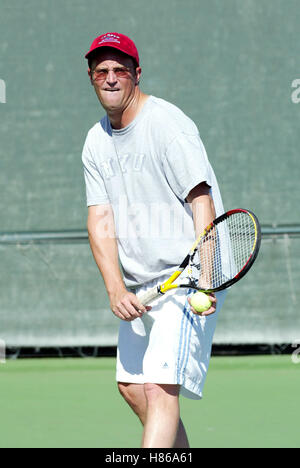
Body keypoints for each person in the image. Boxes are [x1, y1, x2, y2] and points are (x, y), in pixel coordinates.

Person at [82, 32, 227, 448]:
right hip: (143, 286)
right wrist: (114, 287)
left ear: (137, 75)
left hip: (188, 278)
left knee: (159, 390)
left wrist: (207, 275)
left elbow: (202, 199)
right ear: (91, 77)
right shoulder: (95, 141)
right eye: (102, 70)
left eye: (120, 70)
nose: (111, 78)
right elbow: (100, 218)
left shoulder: (167, 125)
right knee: (132, 387)